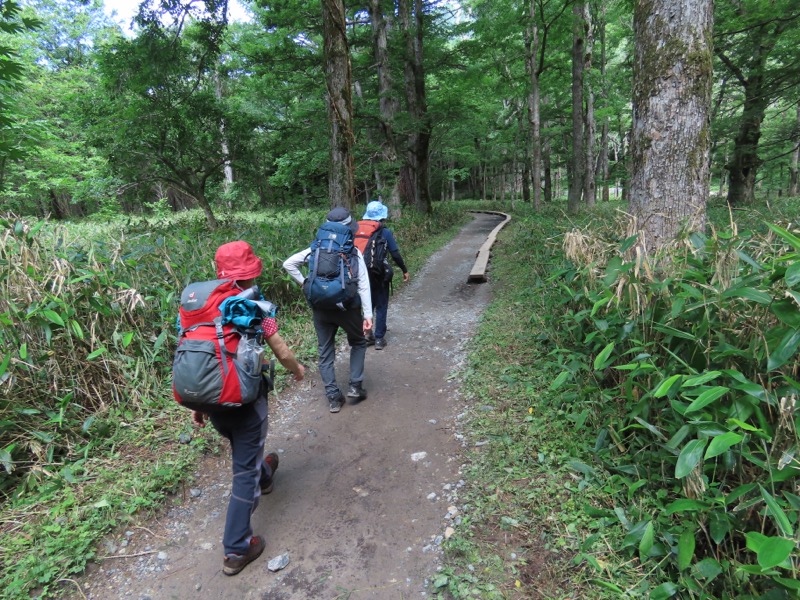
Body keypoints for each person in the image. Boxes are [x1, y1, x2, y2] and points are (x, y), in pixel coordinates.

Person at [191, 241, 305, 576]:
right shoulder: (255, 306)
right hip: (244, 402)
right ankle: (237, 549)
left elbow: (196, 355)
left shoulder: (201, 307)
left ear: (218, 271)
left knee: (246, 452)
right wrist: (297, 370)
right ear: (252, 270)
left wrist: (197, 404)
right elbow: (281, 351)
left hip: (211, 401)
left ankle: (265, 474)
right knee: (244, 472)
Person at [283, 207, 373, 413]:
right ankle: (355, 386)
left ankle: (333, 397)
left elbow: (288, 264)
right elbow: (363, 285)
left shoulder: (315, 249)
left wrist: (305, 283)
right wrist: (368, 314)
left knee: (325, 350)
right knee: (358, 342)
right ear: (349, 229)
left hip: (321, 307)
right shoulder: (353, 252)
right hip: (347, 307)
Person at [355, 200, 410, 350]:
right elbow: (395, 253)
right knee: (381, 304)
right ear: (382, 216)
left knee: (366, 303)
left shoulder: (356, 229)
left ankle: (366, 335)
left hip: (359, 274)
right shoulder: (384, 232)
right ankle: (379, 339)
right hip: (378, 273)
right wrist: (404, 269)